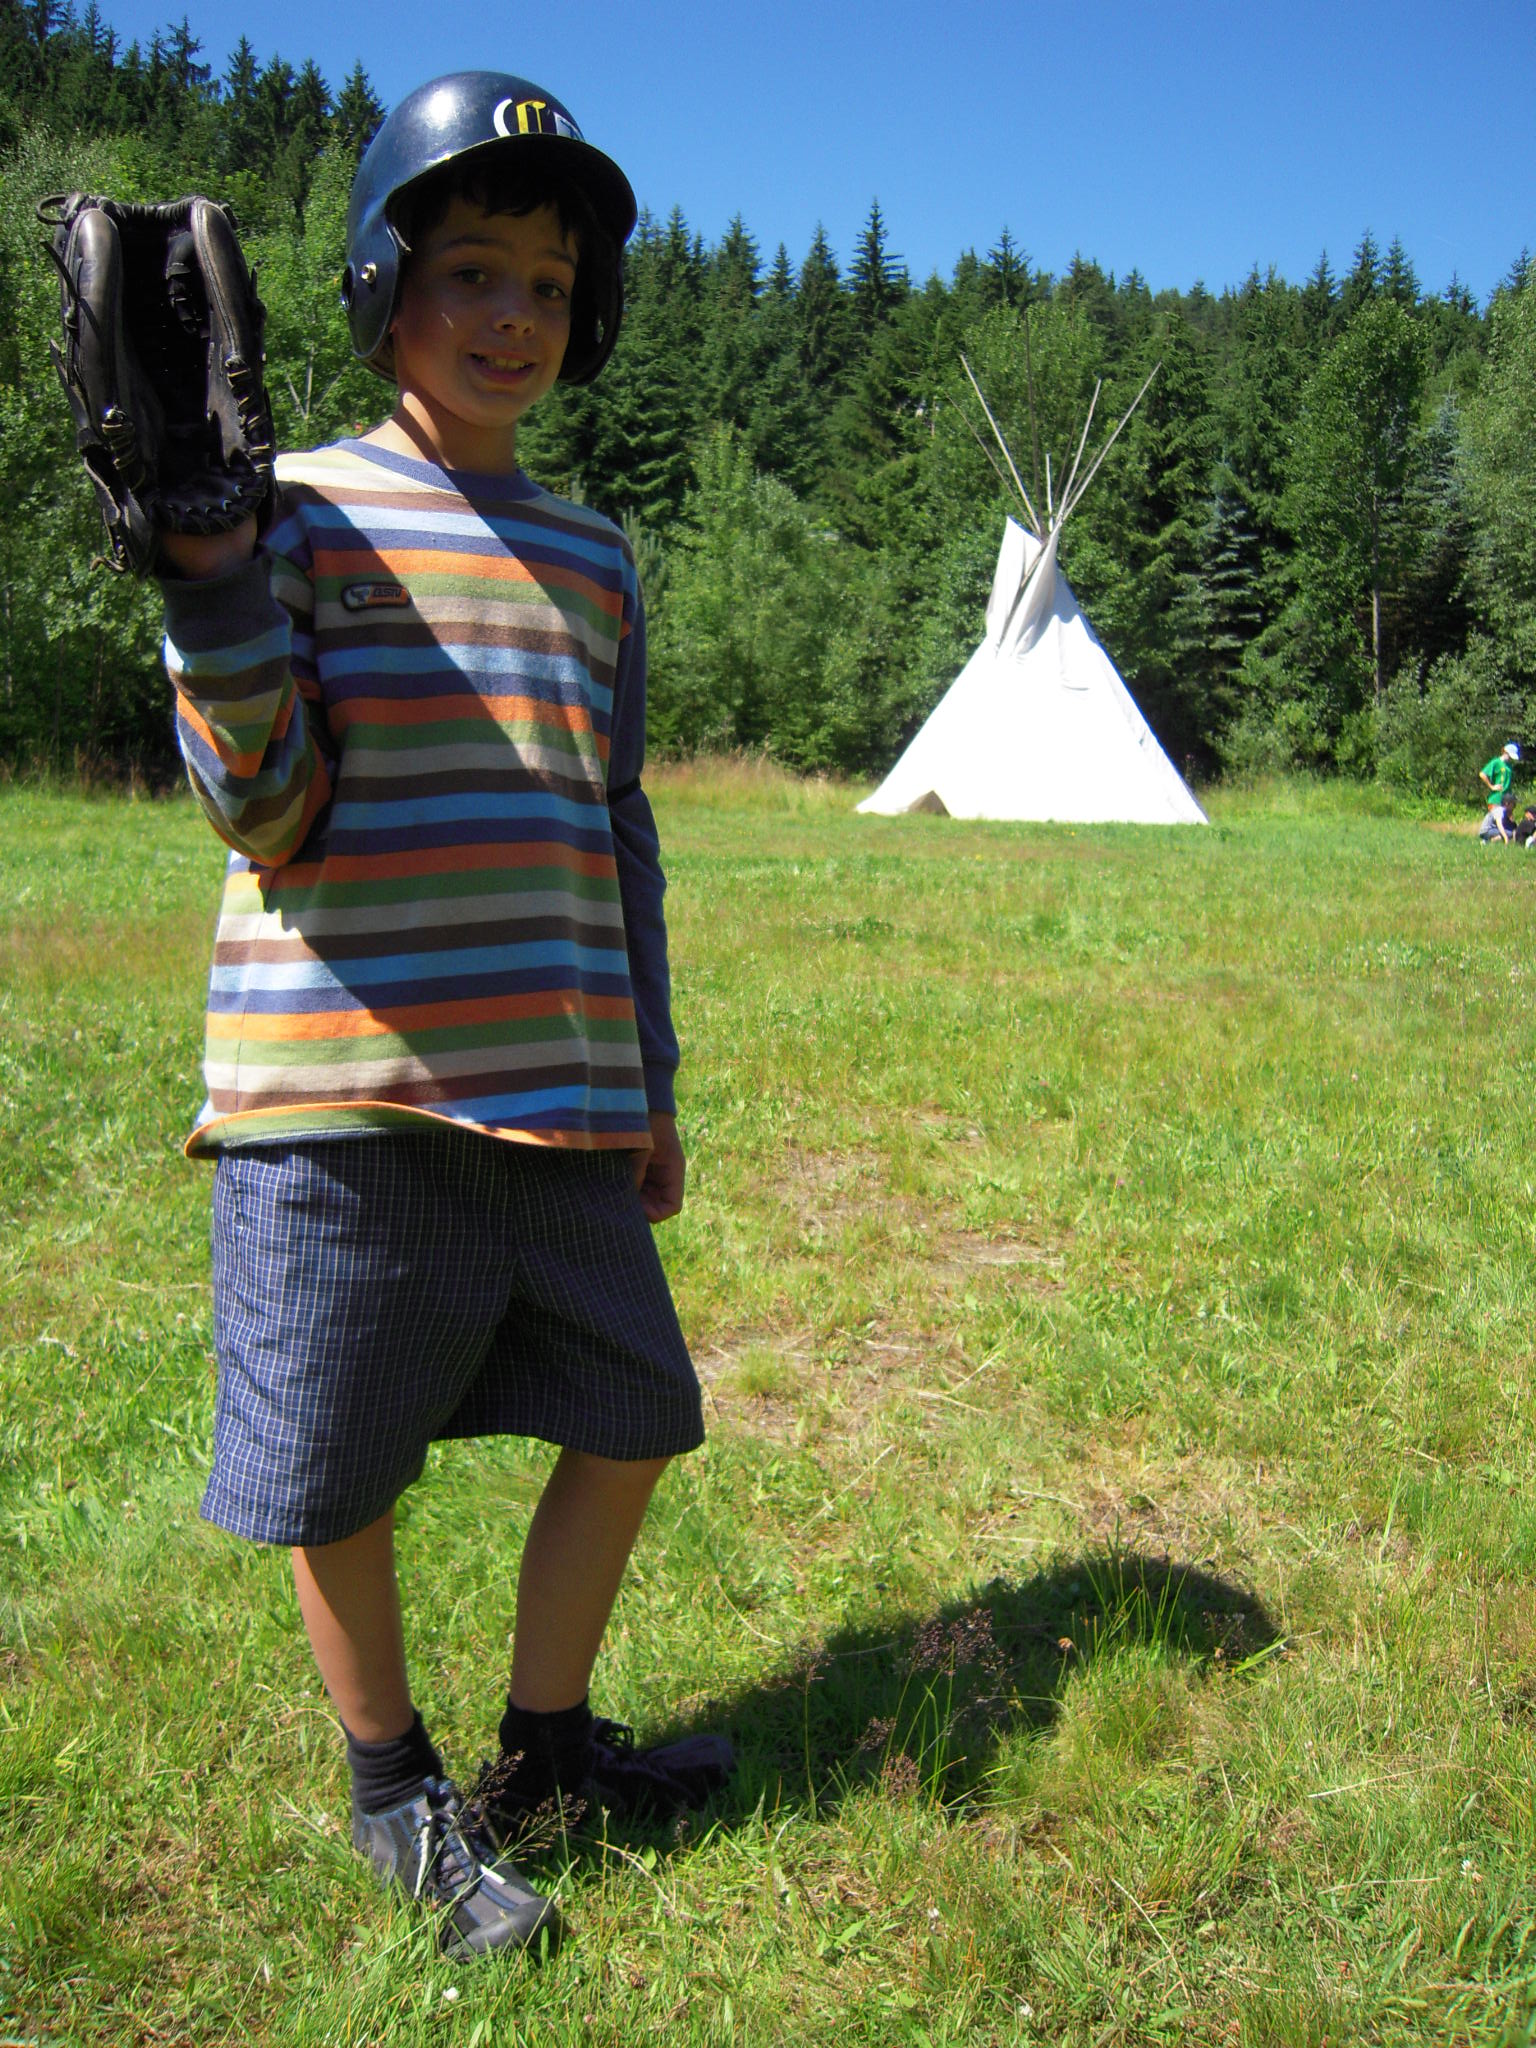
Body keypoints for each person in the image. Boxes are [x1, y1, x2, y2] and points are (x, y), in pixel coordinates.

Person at [153, 71, 729, 1962]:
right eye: (471, 268)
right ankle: (392, 1787)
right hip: (344, 1097)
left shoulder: (594, 554)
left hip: (555, 1090)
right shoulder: (296, 510)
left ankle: (545, 1750)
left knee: (637, 1411)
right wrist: (211, 585)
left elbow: (613, 822)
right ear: (379, 284)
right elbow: (264, 808)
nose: (511, 317)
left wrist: (648, 1076)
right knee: (335, 1463)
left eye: (549, 287)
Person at [1480, 740, 1521, 820]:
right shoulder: (1496, 762)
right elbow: (1482, 774)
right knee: (1497, 821)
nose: (1510, 758)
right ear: (1505, 752)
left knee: (1509, 821)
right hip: (1497, 798)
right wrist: (1491, 786)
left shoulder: (1509, 766)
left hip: (1507, 799)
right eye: (1509, 756)